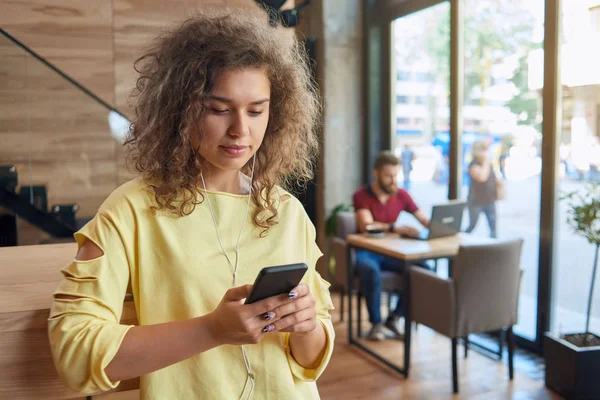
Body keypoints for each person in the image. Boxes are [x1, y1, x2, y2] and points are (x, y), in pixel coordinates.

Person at [48, 8, 334, 400]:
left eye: (256, 110)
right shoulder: (130, 210)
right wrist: (211, 330)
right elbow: (74, 352)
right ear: (181, 108)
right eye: (219, 109)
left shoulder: (286, 211)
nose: (241, 130)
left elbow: (310, 361)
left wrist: (307, 326)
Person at [352, 151, 430, 341]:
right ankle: (376, 324)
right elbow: (366, 226)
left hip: (392, 252)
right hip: (367, 251)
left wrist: (441, 226)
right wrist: (395, 228)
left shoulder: (401, 195)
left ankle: (394, 318)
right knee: (370, 270)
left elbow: (423, 219)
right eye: (388, 175)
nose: (393, 180)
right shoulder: (361, 195)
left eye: (395, 175)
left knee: (423, 269)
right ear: (376, 174)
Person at [465, 140, 501, 238]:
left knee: (493, 227)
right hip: (476, 201)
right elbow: (482, 177)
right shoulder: (474, 164)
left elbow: (493, 177)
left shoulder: (489, 164)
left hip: (490, 200)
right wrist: (486, 162)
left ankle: (494, 246)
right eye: (484, 150)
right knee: (472, 225)